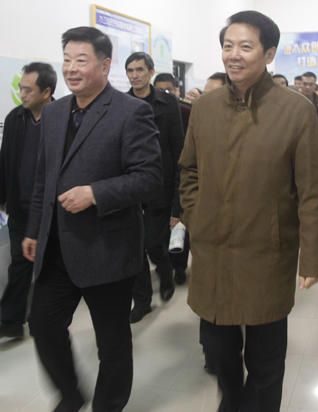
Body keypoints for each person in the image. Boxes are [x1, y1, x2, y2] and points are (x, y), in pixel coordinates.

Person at [179, 10, 318, 412]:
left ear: (269, 54)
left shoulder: (296, 110)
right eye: (228, 46)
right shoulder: (205, 107)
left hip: (267, 253)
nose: (234, 54)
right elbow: (189, 170)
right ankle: (232, 403)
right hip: (213, 252)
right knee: (218, 351)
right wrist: (196, 215)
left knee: (265, 361)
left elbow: (314, 191)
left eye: (245, 46)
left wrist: (314, 257)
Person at [22, 27, 162, 412]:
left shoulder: (131, 111)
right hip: (56, 248)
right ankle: (70, 395)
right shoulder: (54, 112)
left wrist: (96, 193)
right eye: (66, 59)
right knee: (43, 325)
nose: (70, 68)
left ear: (104, 65)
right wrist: (34, 229)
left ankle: (108, 405)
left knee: (112, 342)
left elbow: (150, 177)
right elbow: (44, 177)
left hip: (107, 248)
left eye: (80, 60)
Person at [125, 52, 185, 322]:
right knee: (134, 248)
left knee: (152, 242)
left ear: (150, 72)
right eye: (130, 70)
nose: (134, 75)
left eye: (139, 69)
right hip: (131, 183)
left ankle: (164, 271)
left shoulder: (167, 102)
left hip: (160, 183)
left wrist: (178, 198)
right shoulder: (122, 102)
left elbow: (177, 147)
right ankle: (142, 301)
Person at [0, 62, 56, 340]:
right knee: (20, 264)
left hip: (51, 209)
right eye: (21, 88)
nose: (21, 94)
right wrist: (2, 196)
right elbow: (5, 159)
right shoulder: (15, 118)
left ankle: (45, 319)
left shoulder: (63, 118)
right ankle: (11, 322)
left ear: (46, 92)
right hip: (20, 208)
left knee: (50, 266)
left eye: (27, 89)